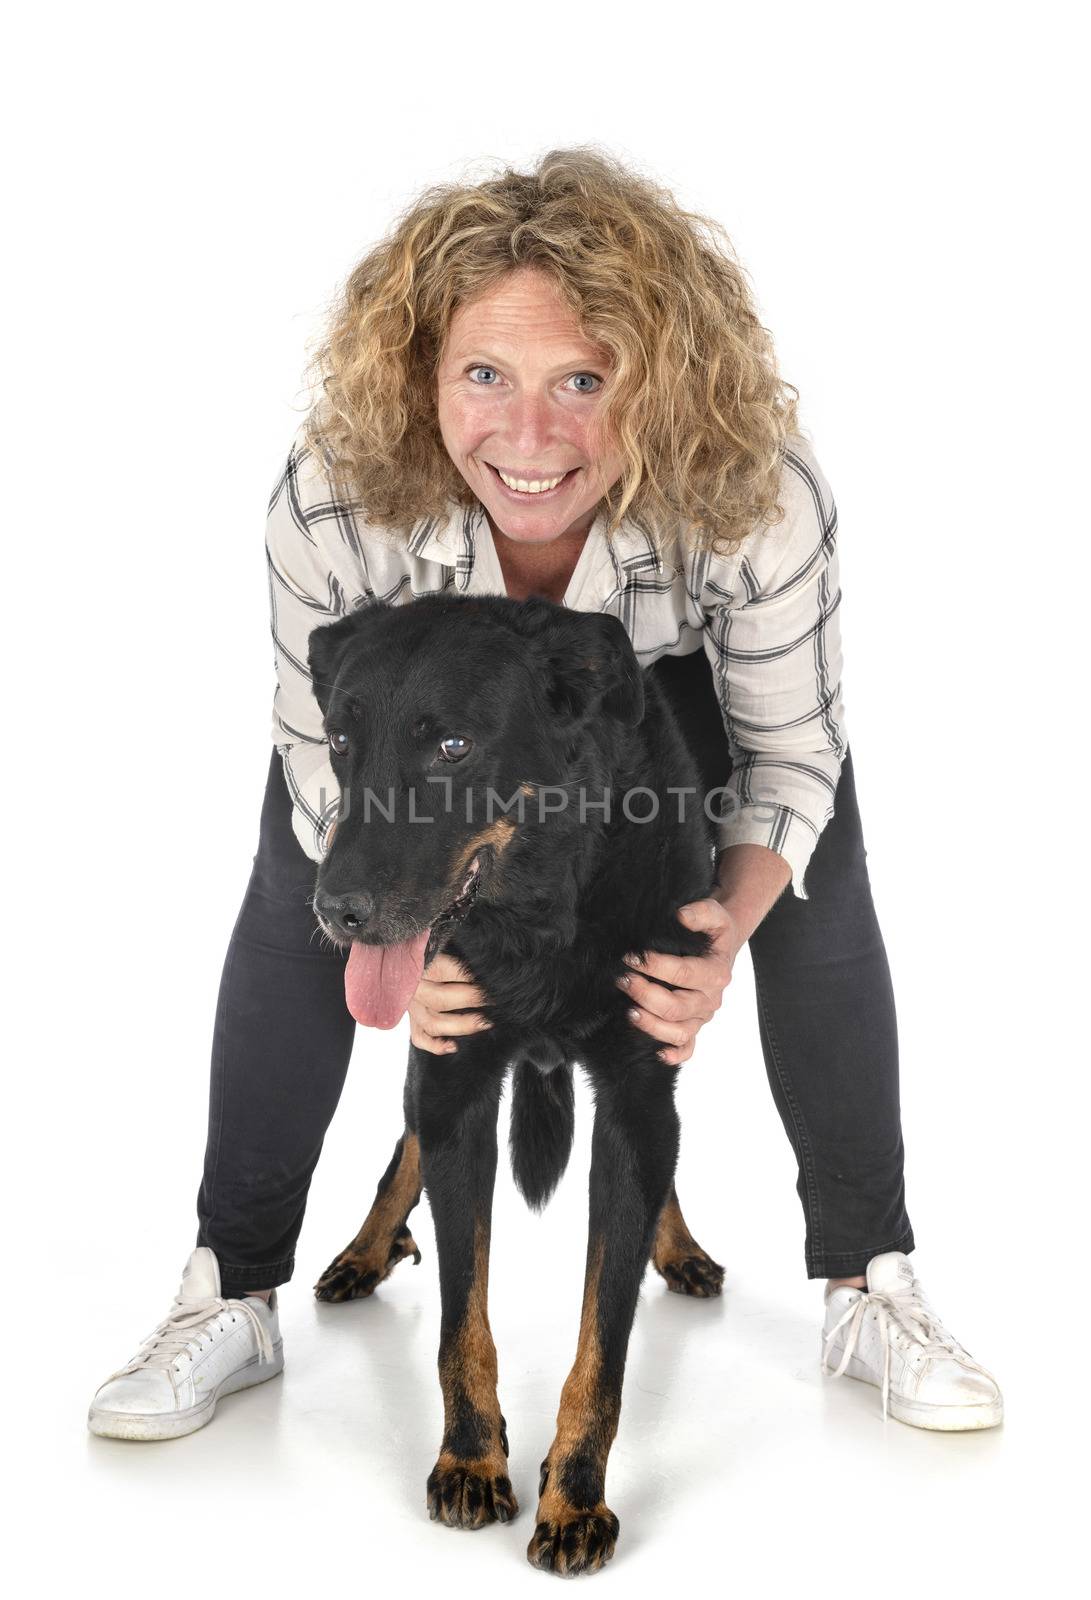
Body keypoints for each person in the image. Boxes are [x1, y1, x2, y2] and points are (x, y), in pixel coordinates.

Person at [88, 148, 1002, 1445]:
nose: (530, 436)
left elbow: (792, 756)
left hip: (661, 692)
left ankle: (871, 1280)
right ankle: (229, 1290)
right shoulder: (338, 494)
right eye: (486, 376)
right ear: (424, 373)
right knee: (306, 873)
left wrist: (714, 931)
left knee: (820, 873)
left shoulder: (756, 494)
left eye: (585, 380)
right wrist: (430, 925)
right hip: (415, 710)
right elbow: (314, 747)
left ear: (662, 379)